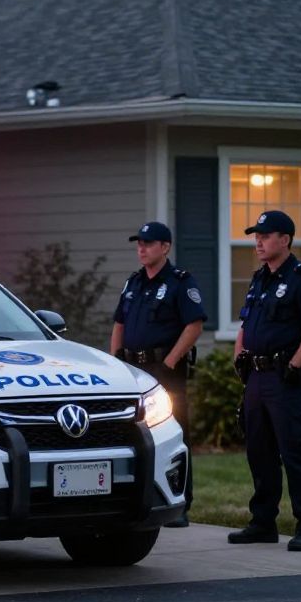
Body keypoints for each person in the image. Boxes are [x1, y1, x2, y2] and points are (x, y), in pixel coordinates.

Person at [229, 210, 301, 552]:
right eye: (256, 236)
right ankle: (262, 521)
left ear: (285, 239)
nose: (258, 242)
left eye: (265, 236)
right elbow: (245, 322)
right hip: (257, 377)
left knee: (294, 452)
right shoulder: (259, 279)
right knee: (259, 451)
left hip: (286, 378)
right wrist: (239, 355)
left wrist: (295, 365)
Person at [111, 221, 206, 528]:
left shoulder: (180, 282)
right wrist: (115, 361)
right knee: (132, 434)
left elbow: (194, 325)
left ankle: (180, 504)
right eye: (139, 243)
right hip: (133, 370)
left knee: (174, 434)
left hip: (164, 371)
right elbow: (120, 324)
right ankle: (141, 498)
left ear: (165, 247)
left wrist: (169, 362)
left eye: (148, 243)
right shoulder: (134, 283)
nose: (141, 248)